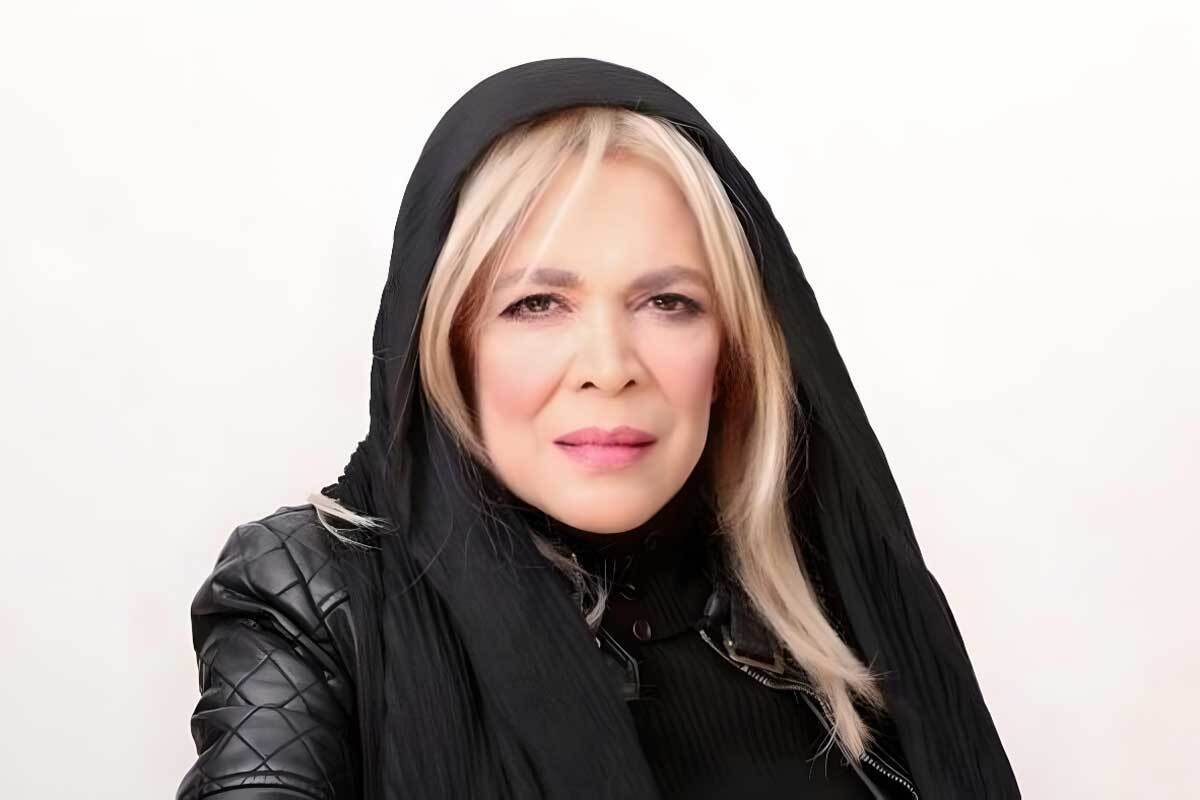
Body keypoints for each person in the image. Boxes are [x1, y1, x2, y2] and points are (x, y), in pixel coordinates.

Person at [176, 58, 1020, 800]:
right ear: (450, 342)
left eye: (669, 302)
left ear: (732, 350)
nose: (610, 367)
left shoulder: (831, 610)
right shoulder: (311, 594)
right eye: (537, 304)